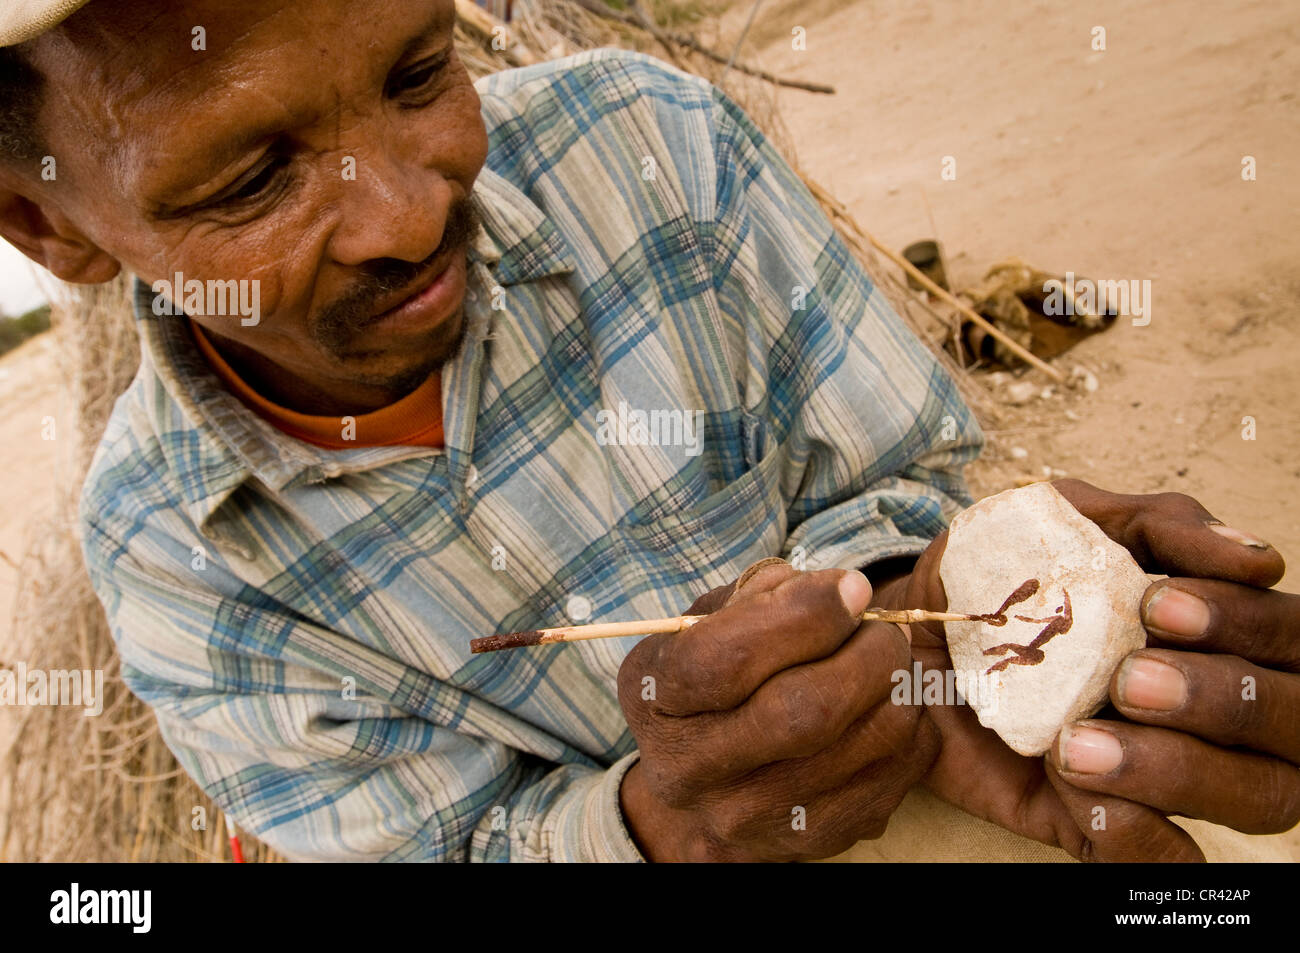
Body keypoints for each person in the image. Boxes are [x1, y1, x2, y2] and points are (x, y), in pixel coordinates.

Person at [1, 0, 1295, 862]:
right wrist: (649, 825)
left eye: (418, 72)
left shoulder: (647, 142)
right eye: (250, 178)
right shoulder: (178, 566)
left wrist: (933, 595)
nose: (405, 212)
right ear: (48, 226)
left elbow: (897, 476)